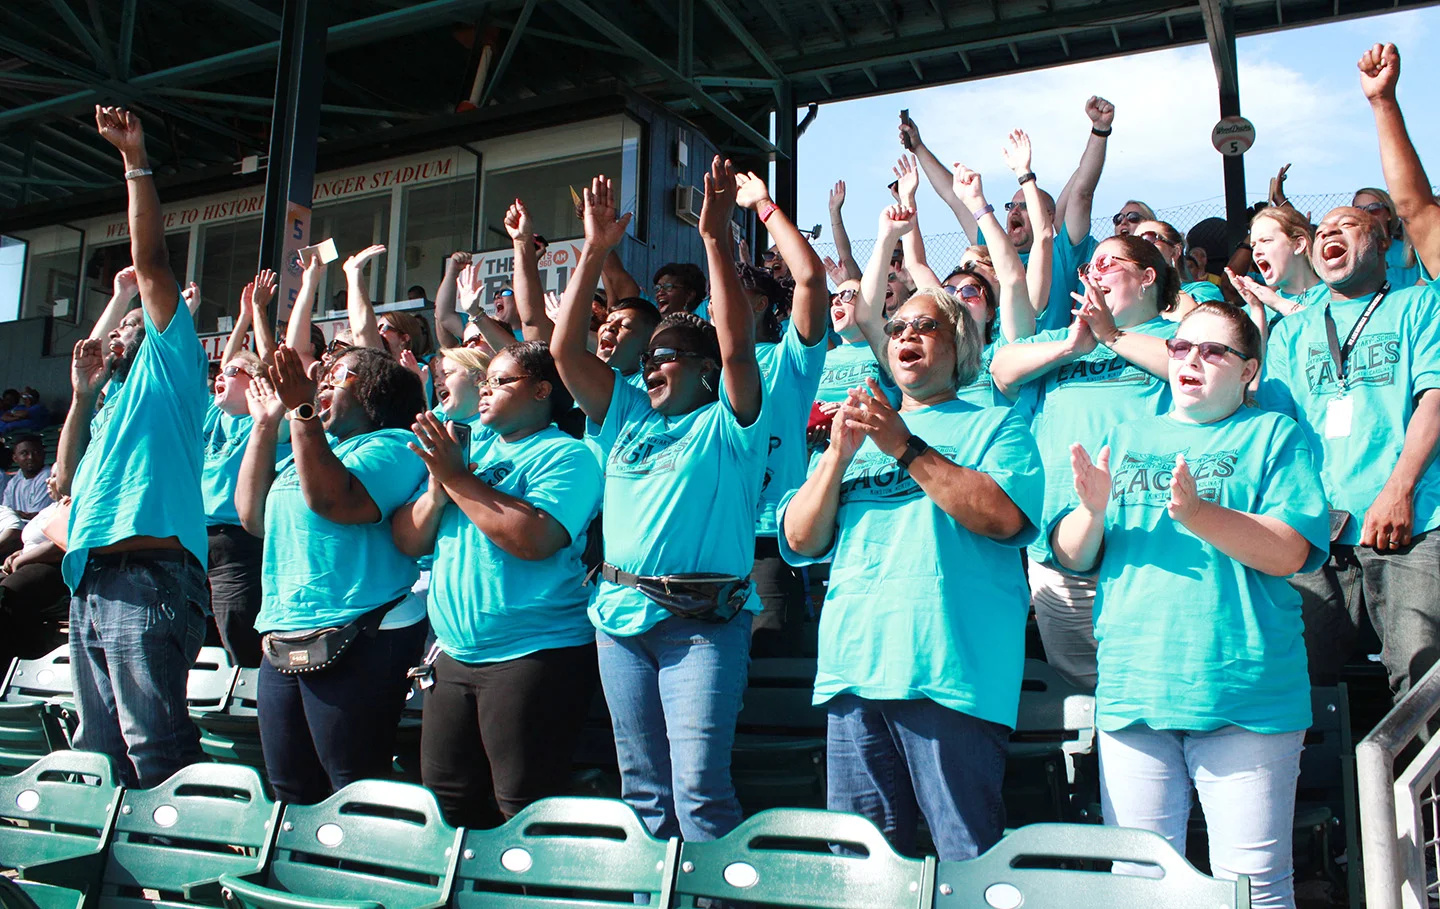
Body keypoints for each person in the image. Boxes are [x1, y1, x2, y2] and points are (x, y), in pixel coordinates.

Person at [1052, 303, 1328, 909]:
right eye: (1180, 348)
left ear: (1248, 370)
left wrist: (1202, 515)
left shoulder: (1272, 434)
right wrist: (1092, 512)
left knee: (1251, 891)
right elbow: (1074, 555)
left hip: (1245, 692)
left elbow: (1290, 551)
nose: (1191, 360)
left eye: (1212, 351)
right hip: (1134, 691)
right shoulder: (1124, 437)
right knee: (1138, 891)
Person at [779, 257, 1044, 861]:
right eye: (897, 329)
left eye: (925, 327)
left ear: (962, 347)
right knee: (862, 873)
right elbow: (799, 541)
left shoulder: (998, 425)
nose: (906, 337)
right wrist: (836, 459)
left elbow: (1002, 517)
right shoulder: (853, 435)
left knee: (966, 859)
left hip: (949, 673)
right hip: (854, 668)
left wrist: (902, 444)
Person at [551, 166, 767, 844]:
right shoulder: (624, 416)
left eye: (668, 355)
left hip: (701, 625)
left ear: (704, 370)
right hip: (619, 622)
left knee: (699, 793)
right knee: (643, 795)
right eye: (648, 357)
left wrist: (714, 241)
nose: (651, 366)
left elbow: (735, 345)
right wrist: (591, 251)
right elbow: (562, 349)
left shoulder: (731, 423)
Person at [1259, 57, 1440, 694]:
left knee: (1418, 678)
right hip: (1316, 533)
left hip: (1412, 521)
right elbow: (1274, 429)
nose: (1332, 233)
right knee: (1292, 678)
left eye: (1350, 225)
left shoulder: (1420, 303)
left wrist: (1399, 490)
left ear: (1384, 241)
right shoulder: (1293, 329)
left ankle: (1422, 796)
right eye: (1323, 230)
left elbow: (1434, 401)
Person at [52, 106, 211, 790]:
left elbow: (151, 263)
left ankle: (190, 871)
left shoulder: (171, 369)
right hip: (91, 583)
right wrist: (83, 396)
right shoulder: (111, 397)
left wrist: (134, 160)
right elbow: (63, 477)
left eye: (125, 329)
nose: (114, 337)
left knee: (156, 748)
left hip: (151, 578)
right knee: (100, 754)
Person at [392, 342, 602, 829]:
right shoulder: (469, 453)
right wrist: (438, 488)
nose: (485, 390)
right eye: (484, 381)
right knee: (447, 805)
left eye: (501, 381)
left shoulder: (569, 456)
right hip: (455, 656)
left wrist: (457, 480)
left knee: (522, 806)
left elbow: (534, 539)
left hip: (533, 654)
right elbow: (407, 538)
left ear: (542, 390)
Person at [235, 346, 428, 804]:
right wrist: (265, 425)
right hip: (284, 633)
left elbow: (335, 502)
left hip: (361, 632)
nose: (322, 383)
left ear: (373, 392)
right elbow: (251, 517)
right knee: (288, 785)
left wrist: (302, 411)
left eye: (337, 376)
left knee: (353, 784)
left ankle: (361, 874)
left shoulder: (394, 445)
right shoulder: (315, 448)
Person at [991, 235, 1180, 689]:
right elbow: (1002, 367)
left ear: (1147, 277)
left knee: (1150, 682)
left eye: (1108, 263)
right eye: (1088, 267)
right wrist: (1072, 348)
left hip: (1146, 543)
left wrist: (1113, 337)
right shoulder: (1063, 337)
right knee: (1081, 693)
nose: (1093, 273)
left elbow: (1190, 368)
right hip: (1059, 545)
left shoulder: (1178, 338)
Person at [901, 97, 1110, 333]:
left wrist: (1100, 131)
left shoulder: (1063, 251)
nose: (1015, 211)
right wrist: (918, 147)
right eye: (1011, 206)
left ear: (1048, 215)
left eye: (1025, 205)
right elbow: (954, 197)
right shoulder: (989, 254)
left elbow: (1082, 194)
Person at [730, 172, 829, 656]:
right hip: (707, 538)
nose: (718, 304)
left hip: (770, 541)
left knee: (772, 684)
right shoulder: (700, 368)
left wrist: (765, 207)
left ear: (763, 303)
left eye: (734, 293)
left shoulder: (789, 360)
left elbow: (810, 278)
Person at [1133, 220, 1224, 321]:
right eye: (1133, 242)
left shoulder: (1203, 290)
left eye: (1148, 239)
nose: (1139, 248)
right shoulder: (1130, 301)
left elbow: (1201, 324)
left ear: (1175, 252)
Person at [1353, 187, 1427, 289]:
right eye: (1358, 210)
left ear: (1389, 214)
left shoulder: (1412, 251)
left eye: (1374, 208)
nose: (1366, 214)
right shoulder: (1349, 257)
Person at [0, 434, 53, 560]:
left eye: (36, 452)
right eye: (24, 453)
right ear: (15, 458)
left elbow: (36, 515)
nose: (31, 457)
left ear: (43, 454)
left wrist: (18, 514)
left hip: (39, 533)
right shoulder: (15, 481)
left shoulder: (48, 477)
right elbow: (7, 512)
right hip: (17, 528)